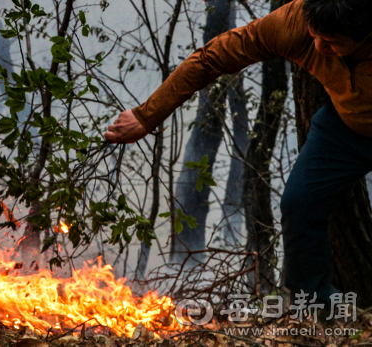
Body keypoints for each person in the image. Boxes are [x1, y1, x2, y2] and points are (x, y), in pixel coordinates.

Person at [105, 0, 372, 306]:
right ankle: (316, 307)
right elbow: (213, 57)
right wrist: (146, 116)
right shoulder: (294, 23)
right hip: (344, 128)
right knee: (299, 204)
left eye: (333, 42)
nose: (318, 47)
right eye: (314, 35)